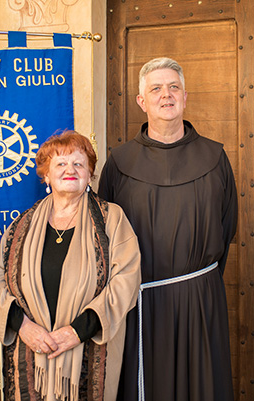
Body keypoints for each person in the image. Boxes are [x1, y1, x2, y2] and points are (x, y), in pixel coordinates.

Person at [98, 57, 238, 401]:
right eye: (156, 88)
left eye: (174, 87)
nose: (167, 95)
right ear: (142, 102)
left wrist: (197, 279)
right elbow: (104, 234)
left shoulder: (215, 157)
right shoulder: (119, 162)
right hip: (140, 300)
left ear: (185, 97)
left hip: (200, 297)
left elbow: (227, 225)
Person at [0, 130, 141, 401]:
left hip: (88, 350)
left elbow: (126, 279)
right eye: (61, 164)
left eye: (79, 163)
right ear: (46, 175)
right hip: (31, 350)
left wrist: (78, 331)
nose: (71, 170)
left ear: (90, 174)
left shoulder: (111, 219)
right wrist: (22, 326)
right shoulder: (23, 224)